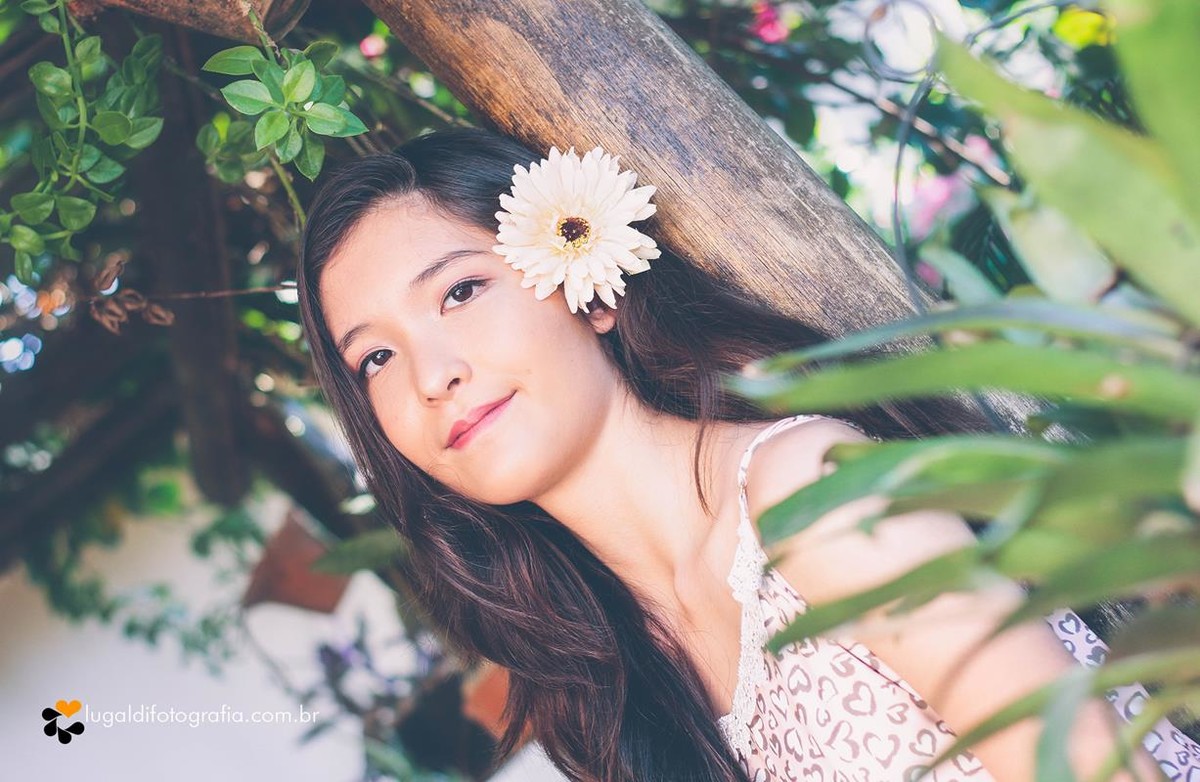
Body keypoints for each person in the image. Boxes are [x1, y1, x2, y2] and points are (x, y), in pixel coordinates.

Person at [296, 127, 1192, 781]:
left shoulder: (810, 491)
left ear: (587, 283)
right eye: (374, 358)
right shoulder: (595, 682)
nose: (431, 377)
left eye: (460, 291)